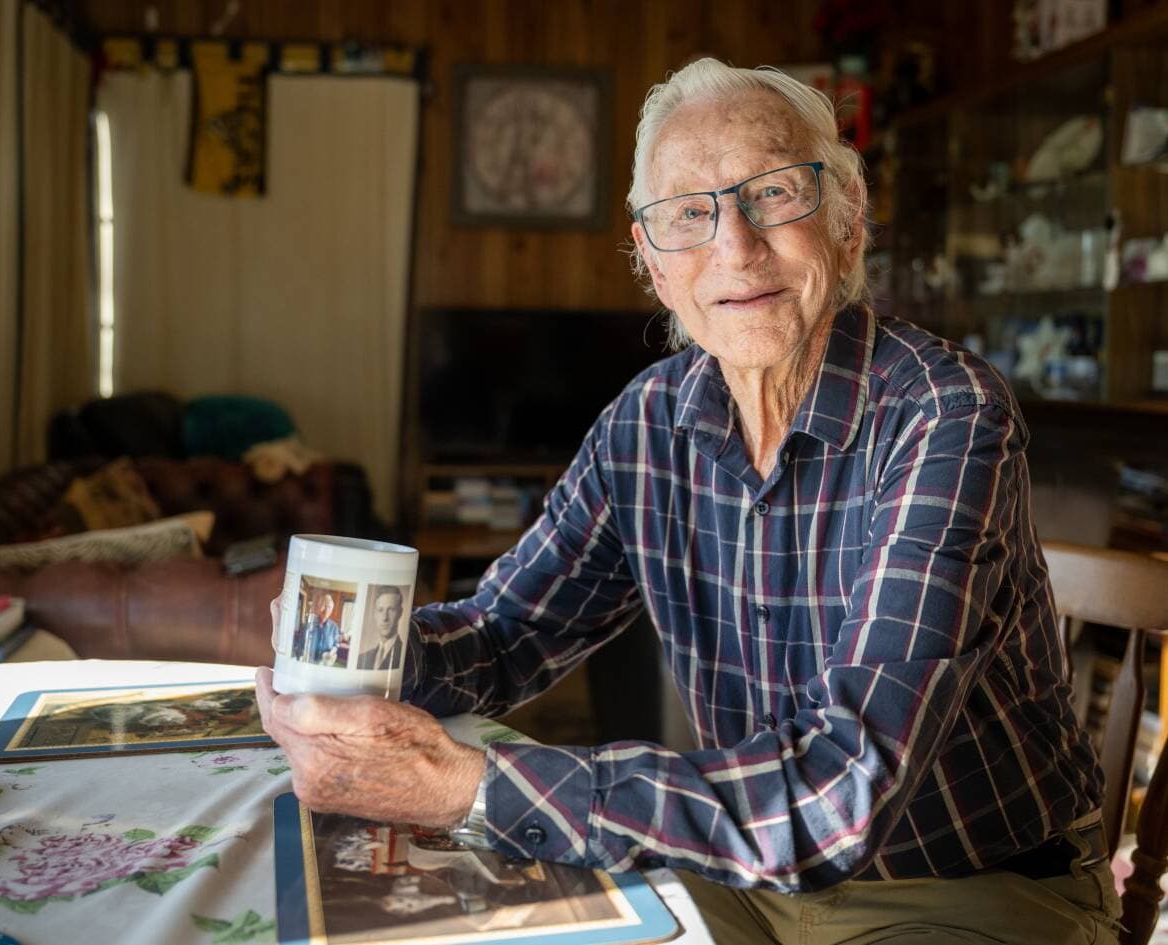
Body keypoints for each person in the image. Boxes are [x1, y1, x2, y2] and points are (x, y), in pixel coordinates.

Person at [256, 58, 1118, 945]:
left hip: (964, 887)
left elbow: (845, 786)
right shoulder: (648, 420)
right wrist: (352, 651)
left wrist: (470, 783)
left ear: (849, 224)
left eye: (775, 193)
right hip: (733, 876)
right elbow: (507, 635)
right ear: (654, 266)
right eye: (689, 215)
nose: (735, 248)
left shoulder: (942, 411)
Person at [355, 586, 405, 671]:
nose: (385, 618)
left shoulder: (405, 654)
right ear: (375, 614)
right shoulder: (361, 659)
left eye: (391, 610)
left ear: (400, 613)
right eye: (380, 610)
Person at [300, 592, 343, 662]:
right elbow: (301, 644)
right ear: (319, 606)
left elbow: (336, 645)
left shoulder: (334, 627)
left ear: (331, 610)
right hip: (309, 662)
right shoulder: (309, 624)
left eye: (329, 607)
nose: (326, 610)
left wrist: (331, 653)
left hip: (325, 663)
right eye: (324, 606)